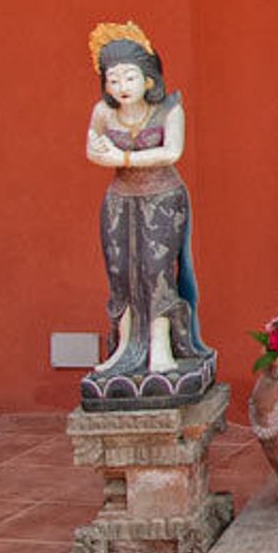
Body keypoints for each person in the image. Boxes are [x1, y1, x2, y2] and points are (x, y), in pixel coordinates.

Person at [81, 21, 214, 407]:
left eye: (129, 77)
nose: (121, 86)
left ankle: (160, 345)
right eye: (113, 79)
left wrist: (122, 157)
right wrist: (105, 156)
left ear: (148, 78)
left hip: (163, 198)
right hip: (120, 199)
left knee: (156, 269)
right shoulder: (103, 114)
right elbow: (92, 148)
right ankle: (125, 349)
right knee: (121, 270)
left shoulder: (169, 110)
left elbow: (172, 153)